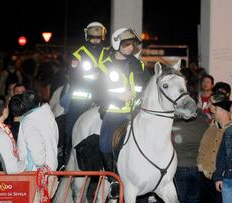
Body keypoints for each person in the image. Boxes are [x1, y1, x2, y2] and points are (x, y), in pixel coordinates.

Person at [99, 27, 150, 197]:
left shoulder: (139, 64)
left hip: (137, 113)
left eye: (132, 45)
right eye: (127, 44)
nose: (131, 48)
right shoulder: (104, 65)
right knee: (105, 142)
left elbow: (147, 87)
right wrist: (118, 96)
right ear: (116, 43)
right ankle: (112, 179)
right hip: (114, 113)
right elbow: (97, 91)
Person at [59, 21, 109, 162]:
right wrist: (93, 78)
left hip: (103, 96)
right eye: (93, 37)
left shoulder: (109, 53)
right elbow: (74, 77)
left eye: (98, 37)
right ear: (87, 36)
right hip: (82, 97)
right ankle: (66, 154)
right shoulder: (79, 54)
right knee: (72, 123)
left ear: (102, 36)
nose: (95, 40)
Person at [17, 90, 59, 201]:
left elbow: (37, 150)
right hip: (49, 170)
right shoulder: (48, 116)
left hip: (36, 174)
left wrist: (40, 167)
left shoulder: (29, 121)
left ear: (22, 105)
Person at [197, 92, 232, 203]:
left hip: (222, 179)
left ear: (223, 111)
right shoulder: (211, 128)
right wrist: (201, 167)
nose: (212, 110)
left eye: (215, 109)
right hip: (206, 177)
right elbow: (202, 148)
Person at [172, 109, 210, 203]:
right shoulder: (203, 124)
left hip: (180, 165)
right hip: (197, 167)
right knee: (194, 198)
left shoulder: (175, 125)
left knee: (180, 198)